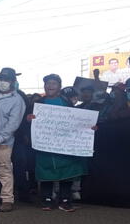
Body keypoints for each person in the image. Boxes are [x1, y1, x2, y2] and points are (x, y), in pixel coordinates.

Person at [27, 74, 93, 212]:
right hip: (44, 145)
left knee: (66, 171)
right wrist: (29, 119)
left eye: (53, 83)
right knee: (46, 171)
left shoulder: (66, 102)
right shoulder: (38, 103)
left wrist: (89, 126)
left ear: (59, 87)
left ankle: (65, 200)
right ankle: (47, 199)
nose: (50, 86)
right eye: (47, 83)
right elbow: (29, 121)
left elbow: (76, 120)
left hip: (63, 145)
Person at [0, 68, 26, 212]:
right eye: (0, 79)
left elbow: (13, 124)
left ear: (13, 82)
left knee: (4, 170)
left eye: (6, 80)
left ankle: (7, 199)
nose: (2, 82)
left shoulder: (17, 101)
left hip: (3, 142)